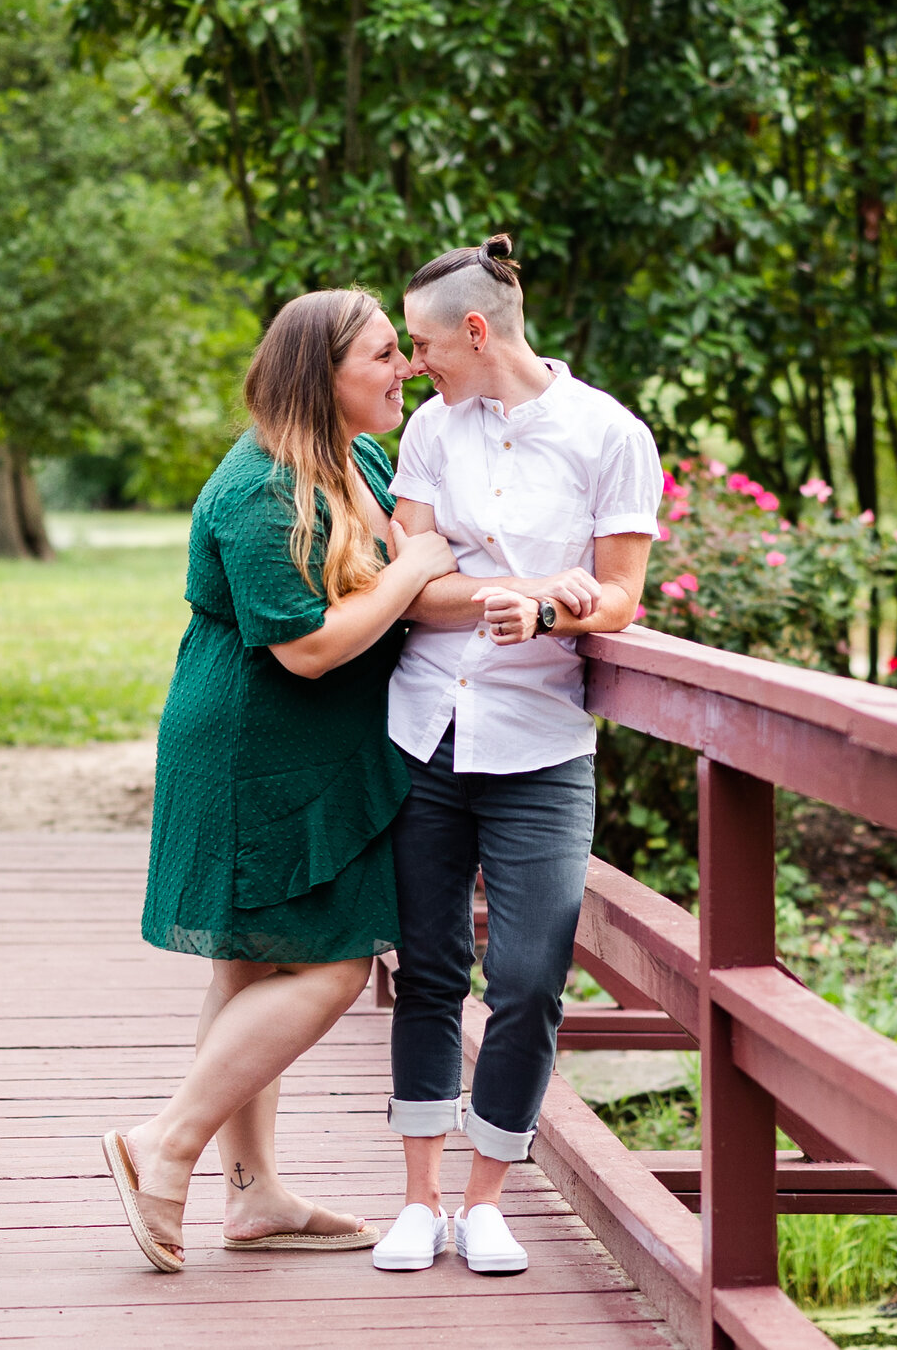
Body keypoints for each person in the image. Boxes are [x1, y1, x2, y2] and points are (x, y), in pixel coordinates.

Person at [105, 288, 457, 1272]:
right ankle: (161, 1143)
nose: (406, 369)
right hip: (254, 744)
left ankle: (254, 1194)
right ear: (322, 372)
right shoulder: (254, 488)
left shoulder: (361, 457)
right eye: (386, 355)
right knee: (334, 962)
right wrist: (412, 564)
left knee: (250, 959)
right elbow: (305, 648)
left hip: (312, 742)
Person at [369, 235, 661, 1276]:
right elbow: (411, 573)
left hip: (540, 742)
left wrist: (539, 603)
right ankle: (417, 1197)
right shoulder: (428, 433)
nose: (412, 363)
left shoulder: (609, 434)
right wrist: (538, 593)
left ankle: (487, 1193)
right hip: (425, 730)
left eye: (422, 343)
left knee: (532, 973)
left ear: (477, 331)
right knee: (430, 967)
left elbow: (620, 595)